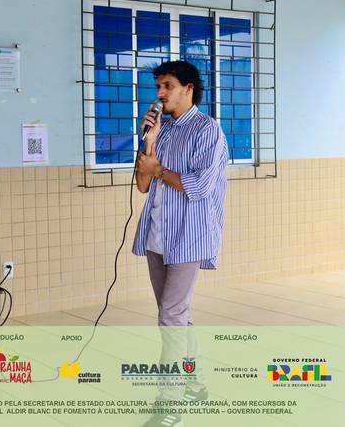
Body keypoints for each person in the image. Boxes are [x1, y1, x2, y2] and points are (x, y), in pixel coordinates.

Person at [132, 60, 228, 427]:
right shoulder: (164, 130)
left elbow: (200, 186)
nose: (160, 93)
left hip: (189, 236)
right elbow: (143, 185)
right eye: (159, 86)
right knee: (175, 315)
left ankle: (169, 403)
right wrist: (149, 142)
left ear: (188, 89)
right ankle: (196, 384)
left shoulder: (208, 130)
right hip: (157, 235)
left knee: (170, 316)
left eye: (168, 86)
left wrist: (157, 170)